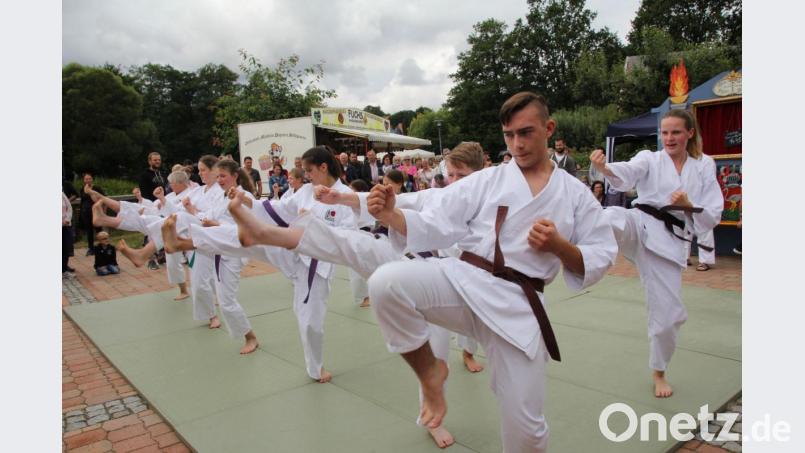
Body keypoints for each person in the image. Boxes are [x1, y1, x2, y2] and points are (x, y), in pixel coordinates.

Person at [364, 92, 617, 452]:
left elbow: (602, 253)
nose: (517, 143)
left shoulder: (575, 194)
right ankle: (431, 373)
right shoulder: (489, 179)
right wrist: (391, 215)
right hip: (465, 281)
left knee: (527, 431)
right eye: (509, 135)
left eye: (526, 133)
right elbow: (438, 218)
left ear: (549, 128)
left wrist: (560, 246)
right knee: (386, 284)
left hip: (519, 306)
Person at [223, 142, 487, 448]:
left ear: (480, 175)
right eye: (450, 174)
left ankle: (468, 351)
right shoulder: (439, 196)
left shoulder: (492, 200)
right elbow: (406, 200)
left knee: (486, 348)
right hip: (428, 276)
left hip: (472, 285)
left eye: (461, 175)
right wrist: (341, 197)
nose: (453, 181)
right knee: (355, 247)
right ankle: (432, 420)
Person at [590, 109, 723, 399]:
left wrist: (687, 205)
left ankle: (659, 371)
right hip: (640, 222)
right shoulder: (650, 158)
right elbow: (627, 173)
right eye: (664, 133)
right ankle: (566, 241)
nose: (669, 138)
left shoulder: (703, 165)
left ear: (690, 133)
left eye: (676, 132)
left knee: (669, 318)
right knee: (610, 217)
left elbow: (712, 213)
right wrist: (606, 168)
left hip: (669, 243)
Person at [139, 151, 168, 269]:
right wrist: (153, 204)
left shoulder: (163, 173)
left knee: (162, 230)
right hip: (150, 206)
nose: (157, 162)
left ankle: (161, 256)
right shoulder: (144, 175)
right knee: (150, 232)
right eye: (155, 160)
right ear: (150, 161)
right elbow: (144, 192)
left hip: (162, 206)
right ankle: (151, 260)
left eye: (159, 160)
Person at [79, 173, 105, 255]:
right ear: (84, 180)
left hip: (96, 212)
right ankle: (91, 248)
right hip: (86, 213)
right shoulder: (82, 189)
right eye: (86, 179)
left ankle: (102, 246)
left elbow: (104, 198)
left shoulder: (96, 188)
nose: (88, 180)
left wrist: (103, 211)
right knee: (89, 231)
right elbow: (82, 201)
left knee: (99, 230)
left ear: (92, 179)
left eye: (89, 178)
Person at [62, 191, 75, 273]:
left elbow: (69, 207)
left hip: (66, 225)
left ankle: (64, 266)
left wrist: (67, 219)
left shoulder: (62, 194)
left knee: (66, 247)